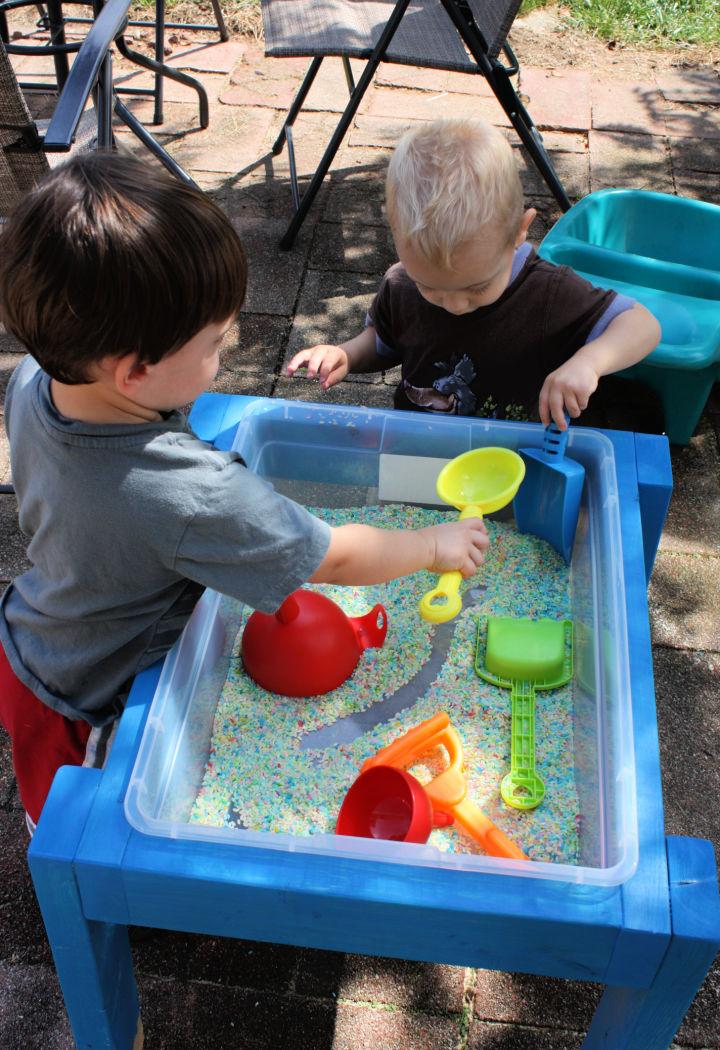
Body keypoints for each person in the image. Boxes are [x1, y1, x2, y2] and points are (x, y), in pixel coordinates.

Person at [0, 153, 489, 831]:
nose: (227, 353)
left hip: (34, 627)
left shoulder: (34, 378)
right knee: (74, 825)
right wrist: (433, 543)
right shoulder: (189, 492)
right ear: (134, 373)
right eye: (215, 343)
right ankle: (67, 867)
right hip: (85, 694)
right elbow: (336, 557)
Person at [286, 117, 662, 432]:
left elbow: (642, 325)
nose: (454, 304)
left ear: (518, 231)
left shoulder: (548, 293)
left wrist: (589, 362)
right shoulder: (401, 283)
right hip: (418, 445)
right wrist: (346, 354)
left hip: (508, 461)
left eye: (477, 287)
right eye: (430, 288)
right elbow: (384, 342)